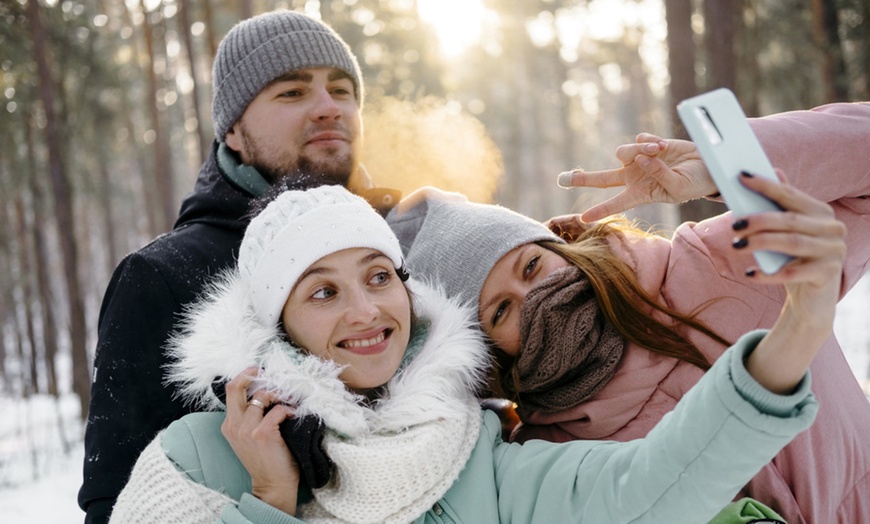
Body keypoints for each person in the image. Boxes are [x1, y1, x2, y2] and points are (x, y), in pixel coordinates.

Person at [110, 183, 823, 524]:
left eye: (379, 277)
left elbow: (649, 484)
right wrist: (271, 501)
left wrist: (798, 328)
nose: (366, 311)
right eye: (322, 293)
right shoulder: (197, 457)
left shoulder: (474, 460)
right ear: (279, 326)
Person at [387, 101, 870, 524]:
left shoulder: (714, 261)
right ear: (488, 352)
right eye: (501, 311)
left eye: (531, 265)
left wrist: (724, 163)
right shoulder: (551, 457)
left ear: (562, 245)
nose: (534, 298)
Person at [79, 10, 399, 523]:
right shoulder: (161, 277)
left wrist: (576, 252)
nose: (327, 108)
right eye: (291, 92)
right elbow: (117, 507)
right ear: (232, 130)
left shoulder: (402, 241)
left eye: (341, 90)